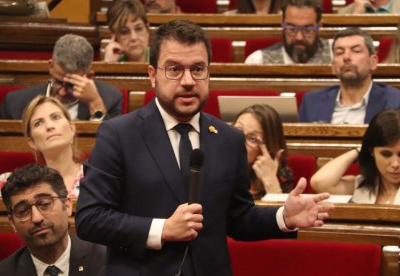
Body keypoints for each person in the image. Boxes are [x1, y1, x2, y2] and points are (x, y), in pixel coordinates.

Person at [75, 19, 334, 275]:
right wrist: (161, 229)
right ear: (152, 75)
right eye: (174, 69)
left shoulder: (229, 139)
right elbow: (90, 219)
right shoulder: (119, 135)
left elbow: (238, 218)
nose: (188, 80)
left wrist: (283, 218)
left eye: (197, 69)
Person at [0, 164, 106, 276]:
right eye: (23, 211)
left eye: (44, 204)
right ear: (12, 222)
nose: (37, 218)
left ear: (67, 206)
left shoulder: (106, 261)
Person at [0, 34, 123, 120]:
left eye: (71, 85)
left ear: (89, 77)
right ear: (51, 66)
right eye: (58, 82)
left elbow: (111, 150)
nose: (62, 92)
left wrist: (95, 104)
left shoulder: (109, 99)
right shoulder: (15, 105)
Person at [0, 96, 83, 198]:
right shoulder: (8, 186)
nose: (49, 126)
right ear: (32, 142)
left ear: (72, 128)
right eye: (38, 123)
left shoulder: (97, 179)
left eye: (55, 117)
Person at [299, 27, 400, 124]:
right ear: (333, 66)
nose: (346, 57)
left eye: (356, 51)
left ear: (373, 62)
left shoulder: (395, 101)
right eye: (339, 52)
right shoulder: (311, 102)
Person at [311, 109, 400, 204]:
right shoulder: (360, 185)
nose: (395, 164)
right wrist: (359, 150)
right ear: (371, 151)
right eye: (386, 154)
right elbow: (319, 182)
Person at [232, 104, 293, 199]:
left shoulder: (281, 174)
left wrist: (270, 181)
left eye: (253, 139)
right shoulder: (213, 161)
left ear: (268, 147)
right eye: (237, 131)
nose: (240, 141)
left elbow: (282, 213)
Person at [245, 0, 332, 64]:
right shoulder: (258, 61)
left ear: (319, 27)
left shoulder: (335, 54)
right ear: (282, 25)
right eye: (292, 28)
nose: (299, 37)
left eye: (307, 30)